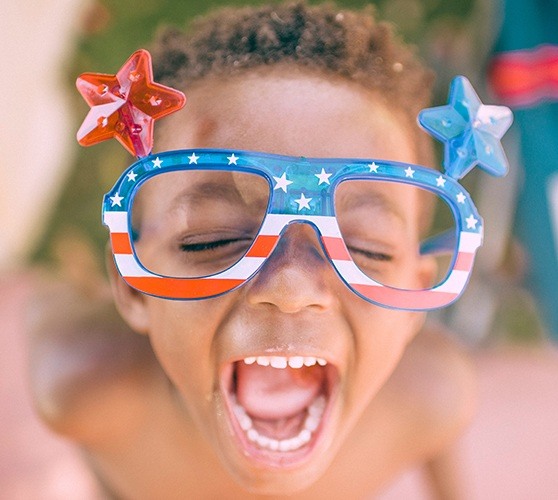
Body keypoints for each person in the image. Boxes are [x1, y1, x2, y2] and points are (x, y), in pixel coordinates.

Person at [27, 2, 509, 497]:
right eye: (211, 240)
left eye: (368, 250)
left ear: (415, 302)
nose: (291, 287)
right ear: (131, 286)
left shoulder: (432, 400)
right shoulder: (86, 394)